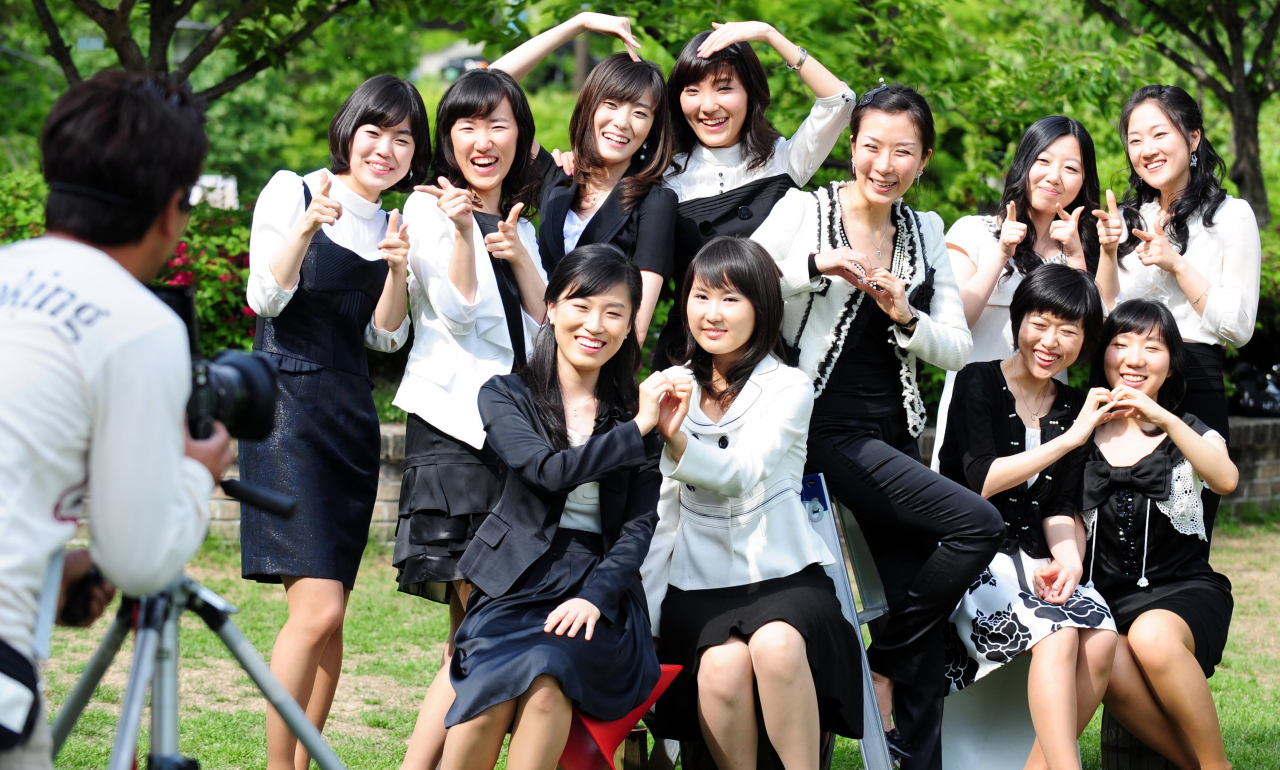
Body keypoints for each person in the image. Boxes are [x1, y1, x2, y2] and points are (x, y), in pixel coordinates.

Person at [751, 84, 1002, 770]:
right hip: (817, 435)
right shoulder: (806, 209)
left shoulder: (925, 231)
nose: (883, 163)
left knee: (920, 605)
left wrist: (907, 316)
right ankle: (877, 671)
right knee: (975, 523)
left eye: (903, 151)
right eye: (871, 146)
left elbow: (954, 344)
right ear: (852, 146)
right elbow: (740, 281)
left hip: (891, 442)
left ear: (921, 161)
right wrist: (815, 266)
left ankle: (897, 697)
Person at [0, 71, 232, 770]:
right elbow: (138, 559)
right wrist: (198, 473)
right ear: (171, 210)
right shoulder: (136, 323)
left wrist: (55, 568)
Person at [239, 74, 427, 770]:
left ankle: (306, 758)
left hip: (351, 415)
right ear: (350, 128)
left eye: (403, 138)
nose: (385, 148)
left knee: (335, 620)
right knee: (312, 613)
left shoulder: (396, 223)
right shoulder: (294, 188)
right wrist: (309, 225)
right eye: (375, 131)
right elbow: (267, 296)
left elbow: (384, 341)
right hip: (288, 409)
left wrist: (399, 272)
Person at [439, 244, 666, 770]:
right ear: (553, 308)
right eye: (581, 305)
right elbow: (546, 472)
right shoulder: (505, 395)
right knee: (486, 698)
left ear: (631, 323)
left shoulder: (636, 411)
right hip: (517, 583)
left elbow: (637, 528)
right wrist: (637, 430)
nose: (596, 324)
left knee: (547, 675)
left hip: (599, 594)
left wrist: (595, 597)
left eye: (614, 312)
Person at [641, 237, 864, 769]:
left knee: (777, 646)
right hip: (696, 583)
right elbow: (662, 512)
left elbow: (741, 474)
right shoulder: (671, 386)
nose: (711, 314)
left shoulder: (788, 387)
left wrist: (676, 441)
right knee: (719, 668)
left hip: (783, 576)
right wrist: (645, 619)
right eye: (700, 296)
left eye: (730, 299)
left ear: (762, 307)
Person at [394, 67, 547, 770]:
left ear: (521, 135)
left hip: (511, 443)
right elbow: (456, 310)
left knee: (475, 636)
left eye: (499, 125)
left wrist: (520, 260)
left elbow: (551, 335)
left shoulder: (519, 223)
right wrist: (461, 229)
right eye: (467, 125)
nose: (483, 140)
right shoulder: (428, 210)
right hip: (455, 436)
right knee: (484, 629)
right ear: (447, 137)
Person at [938, 264, 1116, 770]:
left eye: (1069, 330)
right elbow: (982, 479)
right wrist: (1071, 438)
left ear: (1084, 339)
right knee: (1058, 634)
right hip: (973, 559)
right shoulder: (978, 380)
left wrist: (1070, 564)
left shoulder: (1073, 406)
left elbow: (1062, 505)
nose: (1051, 340)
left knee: (1101, 638)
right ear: (1018, 320)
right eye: (1041, 322)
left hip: (1039, 563)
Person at [1094, 84, 1261, 528]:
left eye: (1160, 134)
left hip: (1195, 380)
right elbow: (1107, 312)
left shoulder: (1231, 215)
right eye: (1134, 139)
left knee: (1186, 532)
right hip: (1127, 380)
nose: (1146, 149)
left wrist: (1177, 265)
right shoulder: (1128, 218)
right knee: (1114, 527)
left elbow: (1239, 328)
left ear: (1192, 138)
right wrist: (1108, 253)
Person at [1081, 300, 1238, 770]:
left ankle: (1216, 764)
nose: (1134, 357)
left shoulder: (1190, 430)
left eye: (1152, 347)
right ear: (1102, 355)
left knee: (1150, 636)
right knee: (1102, 649)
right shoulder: (1080, 433)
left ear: (1170, 365)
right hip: (1109, 600)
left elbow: (1225, 479)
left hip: (1185, 592)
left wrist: (1164, 417)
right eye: (1121, 343)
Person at [644, 22, 854, 368]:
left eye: (724, 88)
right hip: (688, 356)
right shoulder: (665, 176)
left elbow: (840, 102)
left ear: (750, 93)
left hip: (767, 358)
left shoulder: (783, 161)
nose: (708, 106)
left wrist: (770, 35)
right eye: (692, 91)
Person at [489, 13, 677, 342]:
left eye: (640, 112)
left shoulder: (655, 203)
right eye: (612, 104)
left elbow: (638, 327)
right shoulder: (558, 177)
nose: (621, 122)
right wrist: (579, 24)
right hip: (528, 358)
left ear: (651, 129)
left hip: (597, 369)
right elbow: (490, 86)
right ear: (590, 107)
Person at [932, 115, 1102, 469]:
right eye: (1043, 161)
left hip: (1044, 414)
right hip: (973, 411)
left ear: (1084, 181)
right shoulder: (972, 232)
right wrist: (1001, 254)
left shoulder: (1083, 250)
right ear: (1024, 164)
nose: (1054, 176)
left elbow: (1089, 338)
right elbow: (954, 321)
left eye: (1071, 167)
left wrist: (1075, 257)